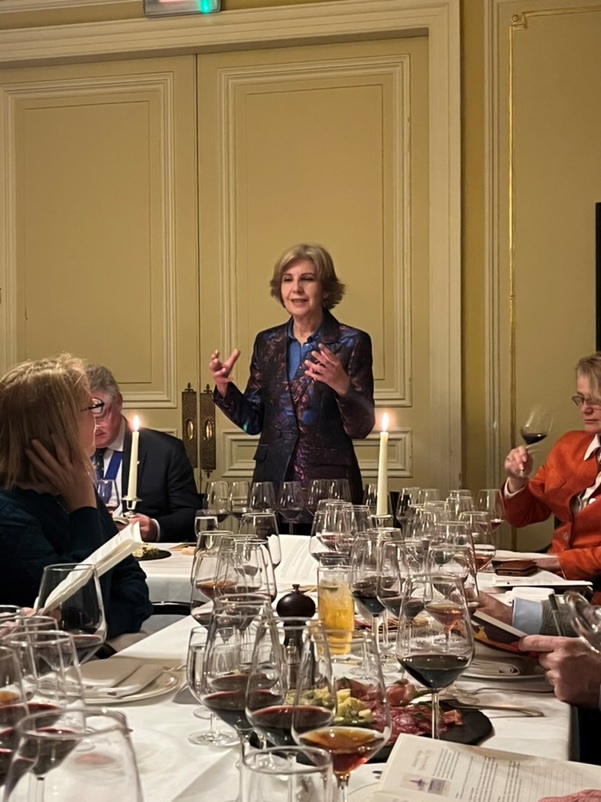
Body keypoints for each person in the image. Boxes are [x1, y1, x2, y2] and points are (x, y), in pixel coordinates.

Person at [209, 243, 375, 510]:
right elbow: (253, 422)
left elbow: (361, 427)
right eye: (288, 280)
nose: (296, 288)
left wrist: (343, 386)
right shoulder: (267, 342)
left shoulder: (351, 342)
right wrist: (225, 389)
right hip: (271, 486)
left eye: (307, 279)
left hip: (328, 490)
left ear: (326, 290)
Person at [0, 354, 152, 640]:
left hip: (95, 662)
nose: (96, 420)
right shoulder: (9, 515)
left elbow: (134, 585)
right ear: (56, 426)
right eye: (90, 408)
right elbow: (72, 608)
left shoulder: (72, 486)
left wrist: (98, 628)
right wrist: (83, 508)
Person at [502, 353, 601, 594]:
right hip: (550, 583)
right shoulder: (568, 446)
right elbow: (522, 516)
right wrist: (517, 480)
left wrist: (559, 561)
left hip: (592, 592)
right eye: (581, 398)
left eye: (595, 400)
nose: (584, 409)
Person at [86, 363, 199, 542]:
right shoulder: (66, 452)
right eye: (84, 417)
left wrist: (155, 527)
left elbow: (191, 515)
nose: (93, 427)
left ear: (118, 403)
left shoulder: (164, 451)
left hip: (144, 557)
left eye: (100, 415)